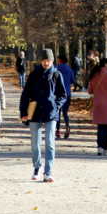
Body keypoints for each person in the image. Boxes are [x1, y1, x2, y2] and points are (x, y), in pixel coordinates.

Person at [19, 48, 68, 183]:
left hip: (50, 113)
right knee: (35, 144)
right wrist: (23, 112)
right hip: (34, 112)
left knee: (50, 143)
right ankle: (36, 167)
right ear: (41, 61)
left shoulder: (57, 75)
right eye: (44, 60)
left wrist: (56, 106)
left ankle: (48, 172)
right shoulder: (34, 75)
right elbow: (25, 94)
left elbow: (63, 95)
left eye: (49, 61)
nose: (46, 63)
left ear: (52, 61)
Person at [54, 54, 76, 139]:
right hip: (67, 93)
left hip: (57, 93)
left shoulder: (56, 68)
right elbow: (73, 81)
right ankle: (67, 127)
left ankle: (58, 131)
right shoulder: (70, 69)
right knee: (65, 112)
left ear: (60, 60)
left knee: (57, 112)